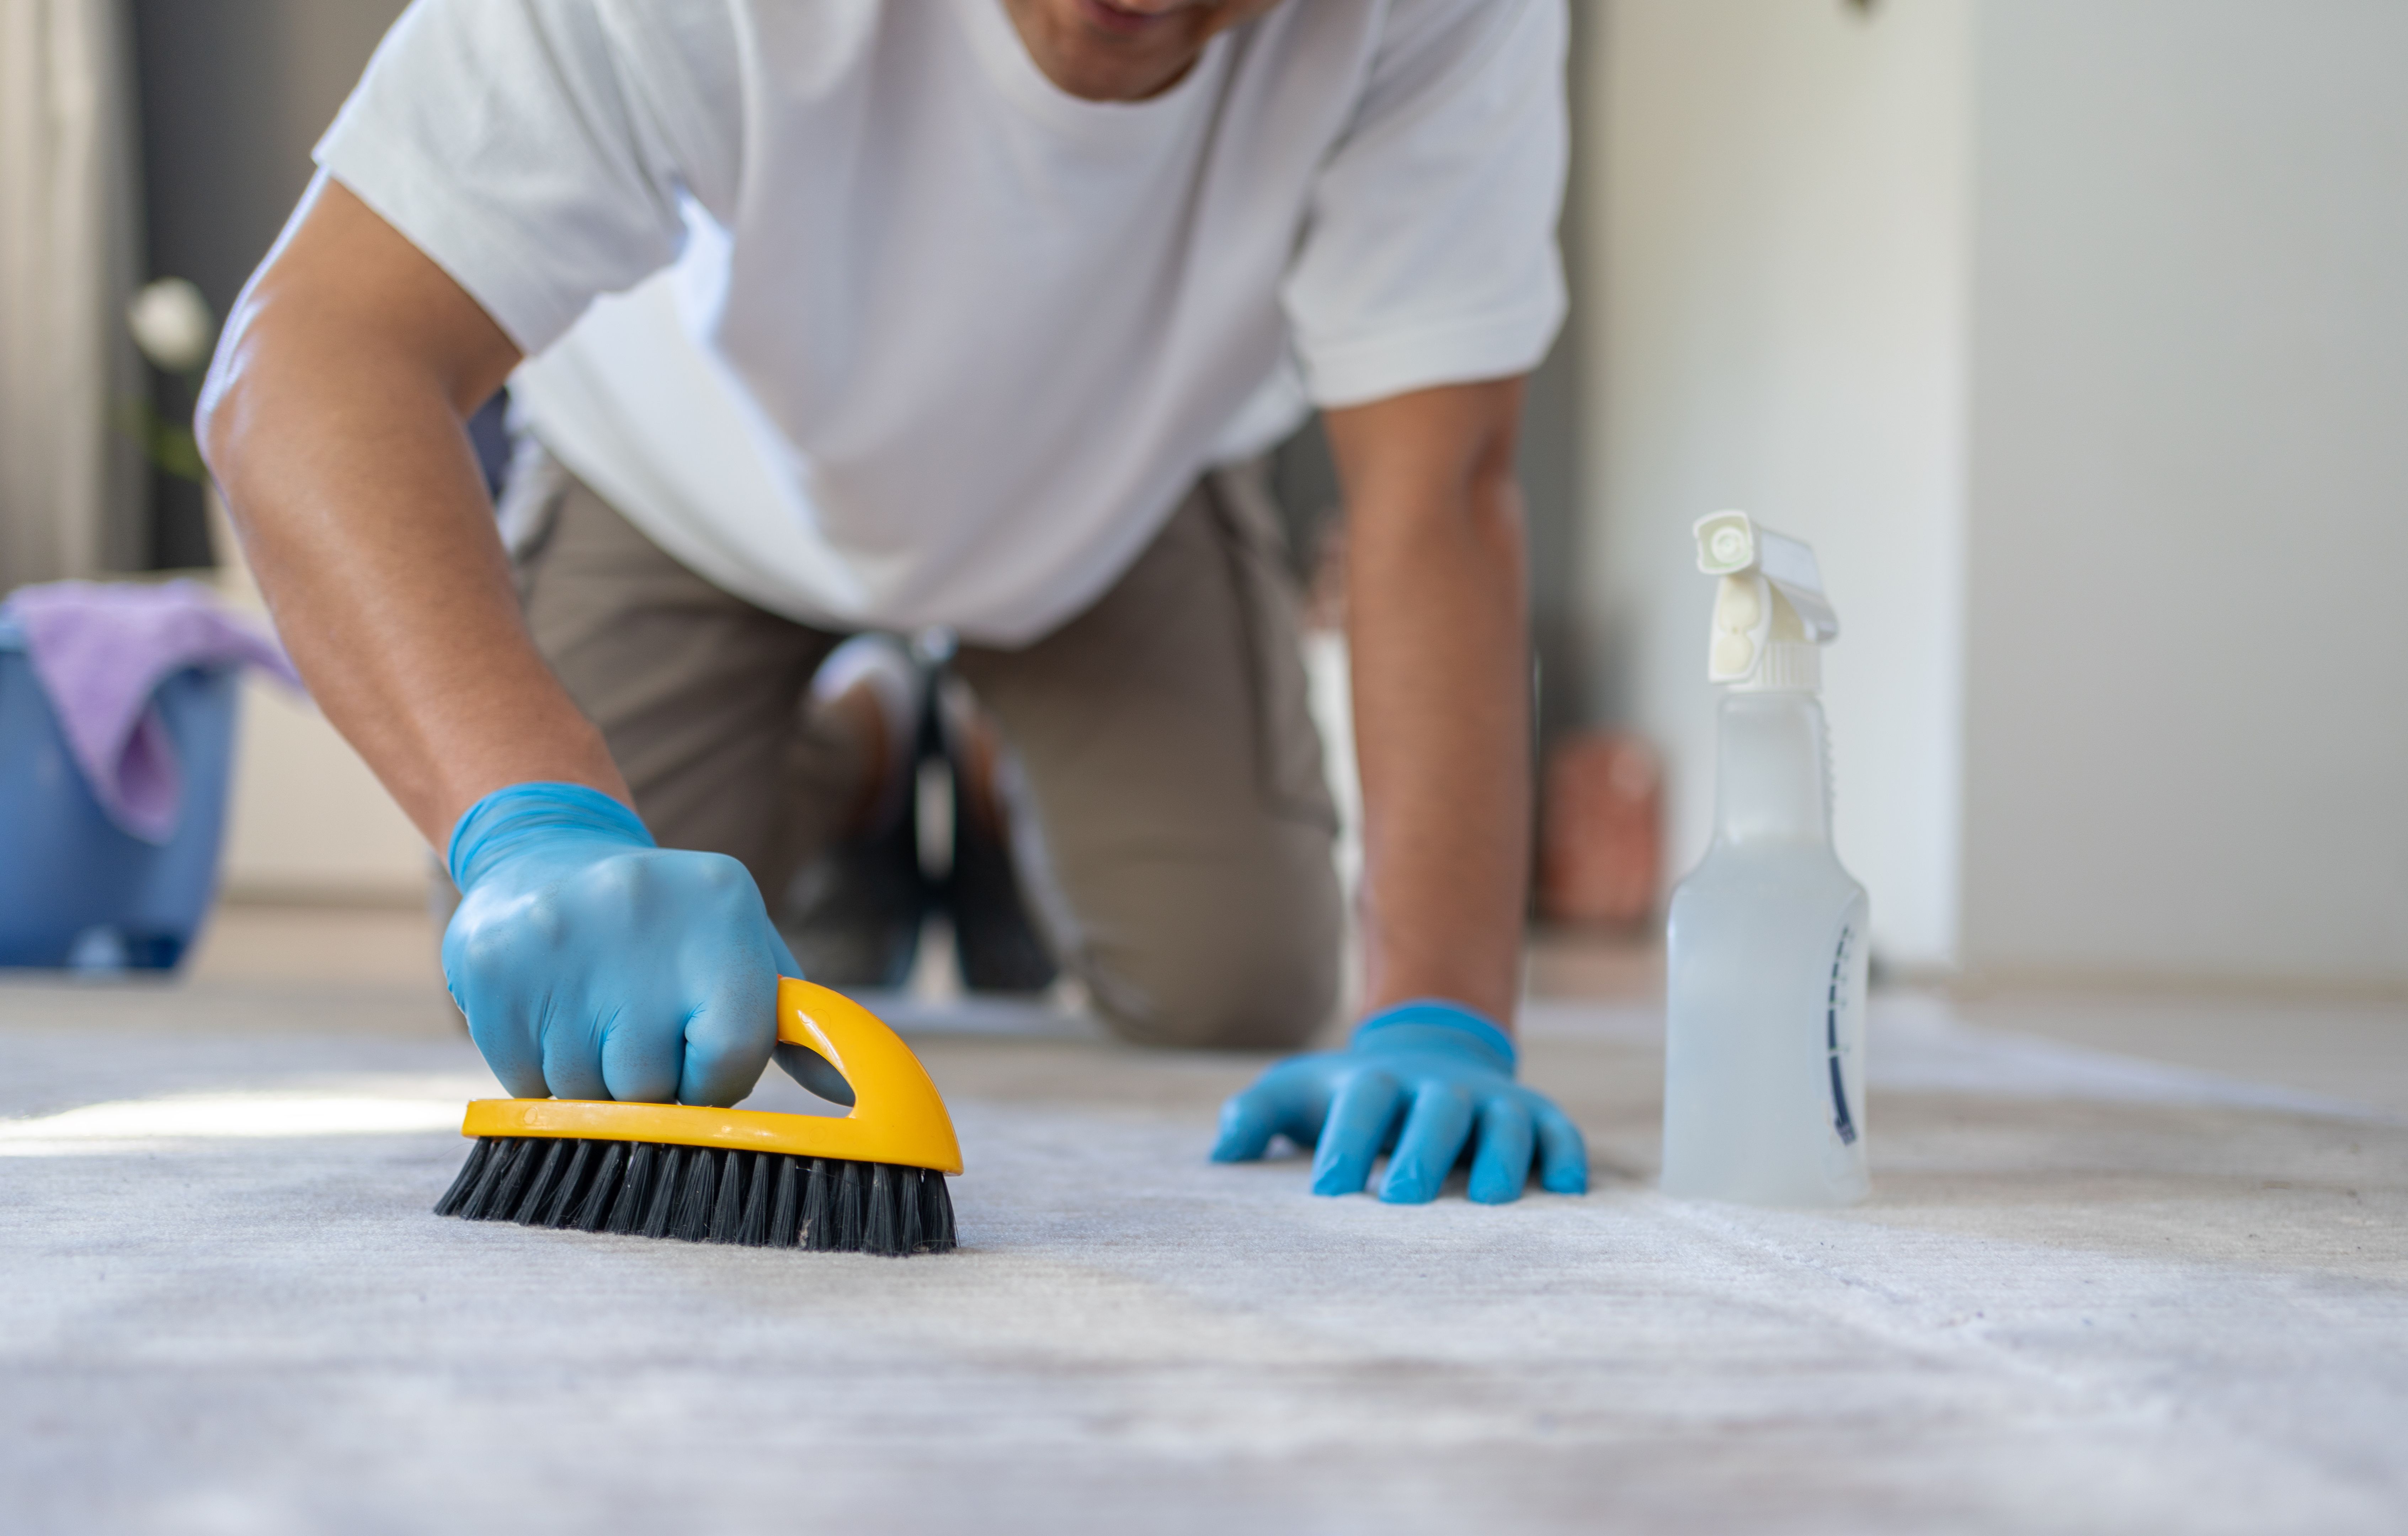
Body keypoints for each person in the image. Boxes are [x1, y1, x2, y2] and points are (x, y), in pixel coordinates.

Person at [199, 0, 1588, 1205]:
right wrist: (535, 827)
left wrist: (1441, 1021)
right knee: (568, 986)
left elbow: (1440, 486)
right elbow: (310, 357)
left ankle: (986, 771)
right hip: (688, 477)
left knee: (1235, 986)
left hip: (1112, 489)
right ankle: (868, 754)